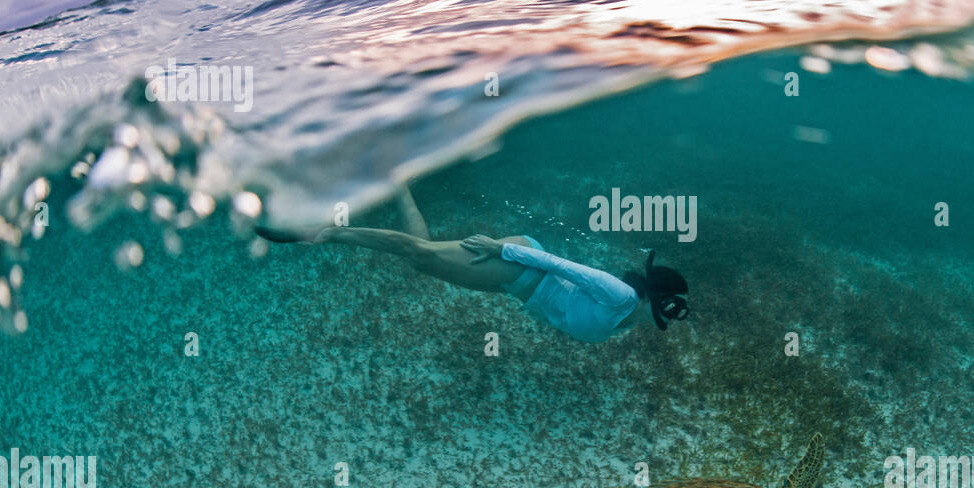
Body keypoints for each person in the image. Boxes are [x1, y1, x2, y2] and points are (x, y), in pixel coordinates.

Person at [255, 193, 688, 343]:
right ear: (658, 302)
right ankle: (323, 234)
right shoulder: (622, 297)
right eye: (671, 312)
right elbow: (562, 265)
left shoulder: (626, 321)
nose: (668, 321)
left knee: (421, 259)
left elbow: (559, 309)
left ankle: (400, 187)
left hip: (514, 284)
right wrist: (501, 250)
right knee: (422, 254)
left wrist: (516, 290)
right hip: (515, 264)